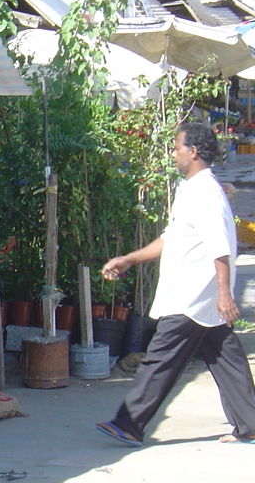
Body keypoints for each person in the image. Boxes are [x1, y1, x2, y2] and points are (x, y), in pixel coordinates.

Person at [96, 121, 255, 446]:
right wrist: (130, 259)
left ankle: (129, 423)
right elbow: (172, 238)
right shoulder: (192, 189)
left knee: (161, 358)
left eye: (177, 147)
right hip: (200, 296)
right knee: (226, 358)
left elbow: (220, 246)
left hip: (193, 294)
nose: (173, 154)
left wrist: (224, 294)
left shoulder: (206, 192)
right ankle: (250, 424)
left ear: (193, 152)